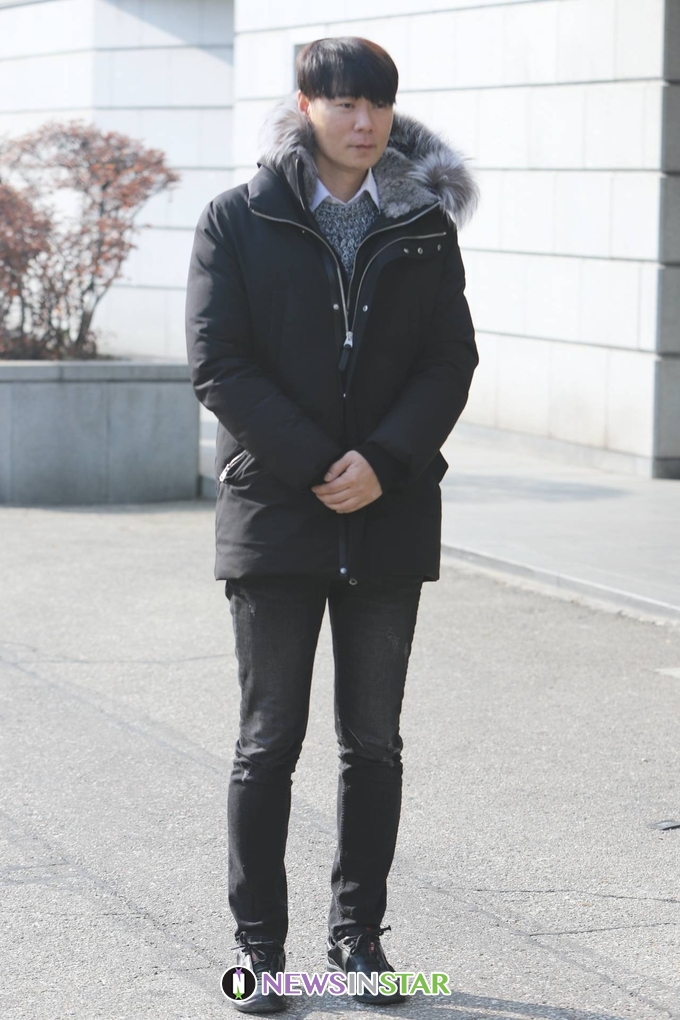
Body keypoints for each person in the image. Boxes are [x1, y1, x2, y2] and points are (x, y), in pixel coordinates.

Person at [185, 36, 479, 1014]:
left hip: (389, 515)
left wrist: (383, 462)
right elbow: (219, 362)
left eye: (378, 105)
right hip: (277, 514)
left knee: (374, 743)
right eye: (344, 102)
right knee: (267, 742)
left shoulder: (423, 225)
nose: (364, 122)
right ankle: (260, 955)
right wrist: (318, 464)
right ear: (306, 104)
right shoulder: (240, 216)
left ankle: (357, 941)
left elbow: (449, 360)